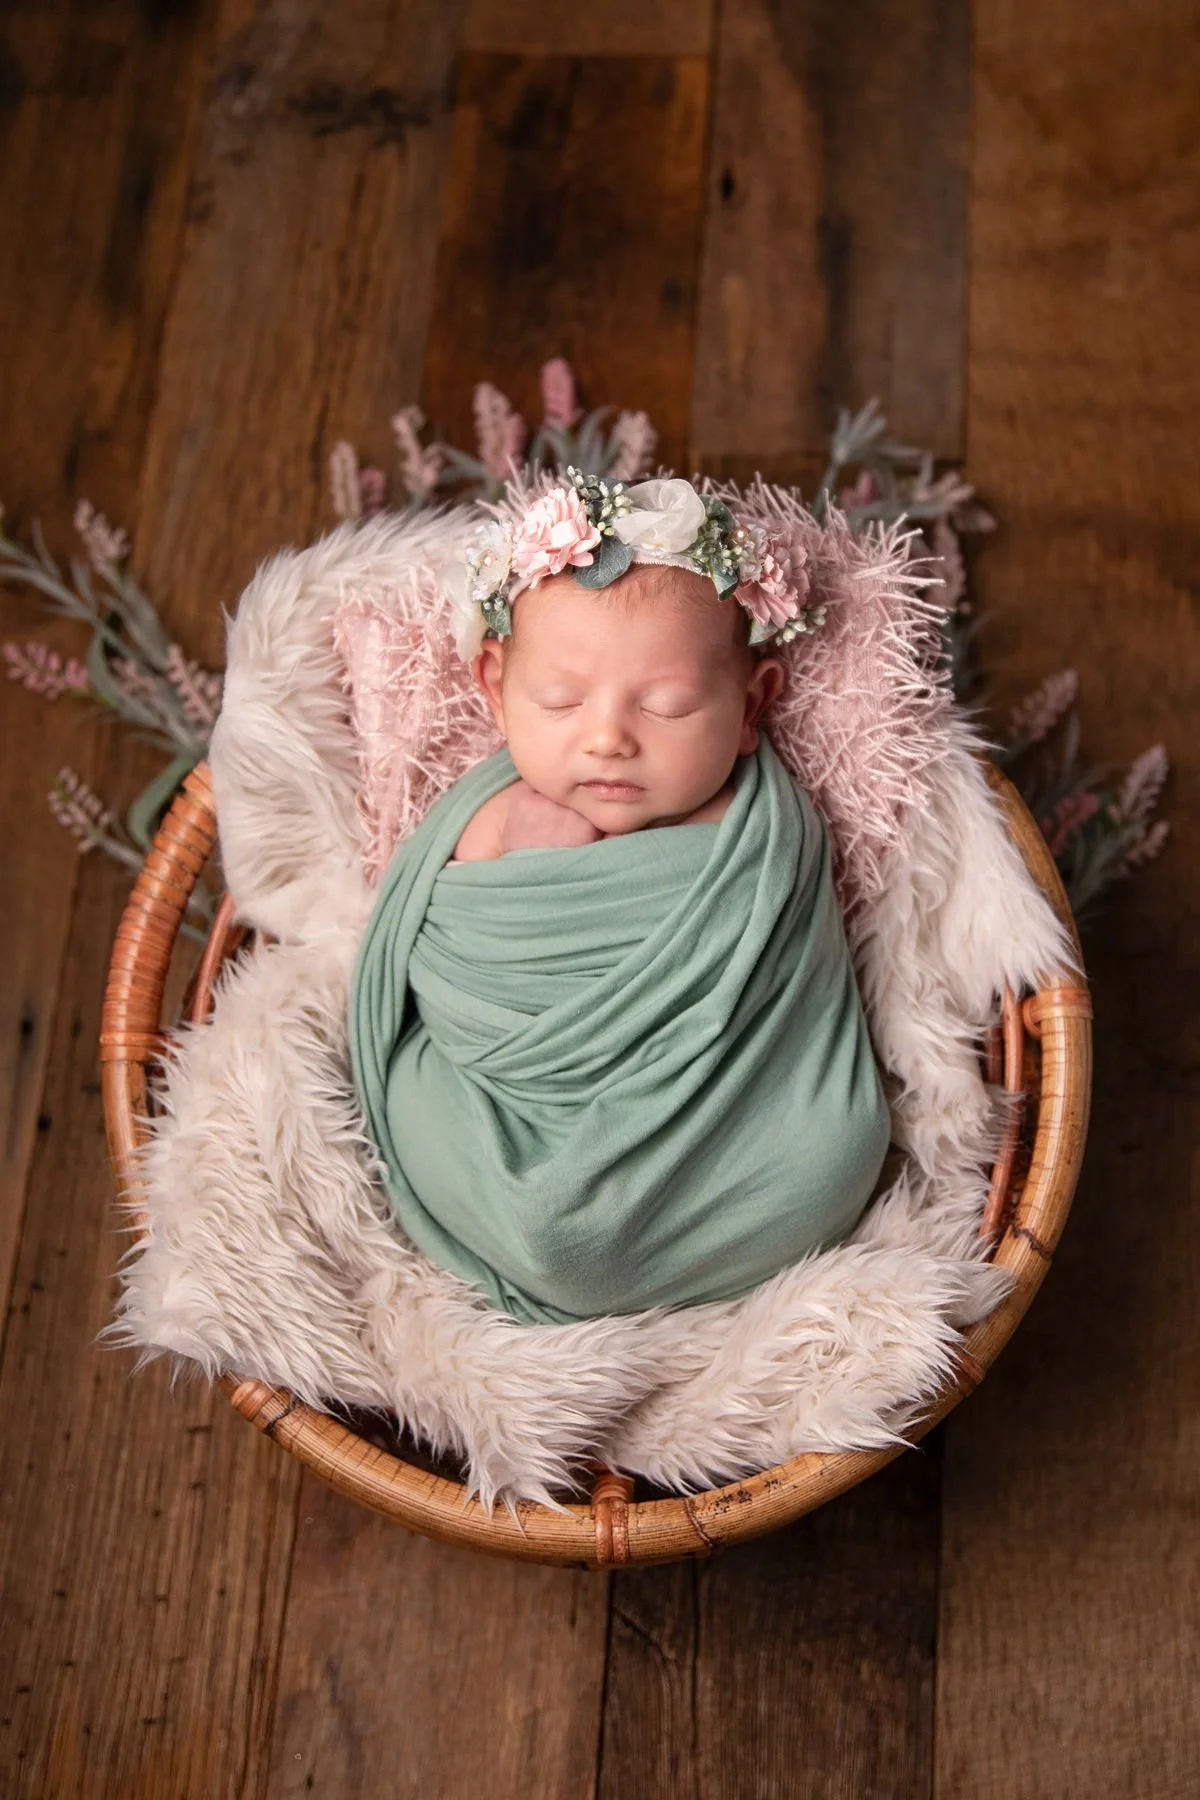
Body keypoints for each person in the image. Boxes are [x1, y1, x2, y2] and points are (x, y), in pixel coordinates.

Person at [349, 474, 892, 1325]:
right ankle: (573, 1251)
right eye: (559, 700)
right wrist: (513, 874)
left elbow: (795, 1003)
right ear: (494, 688)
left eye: (667, 705)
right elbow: (443, 970)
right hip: (516, 1122)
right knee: (521, 1197)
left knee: (834, 1150)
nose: (607, 736)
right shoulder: (488, 816)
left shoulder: (766, 833)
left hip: (744, 1137)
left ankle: (674, 1260)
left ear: (752, 707)